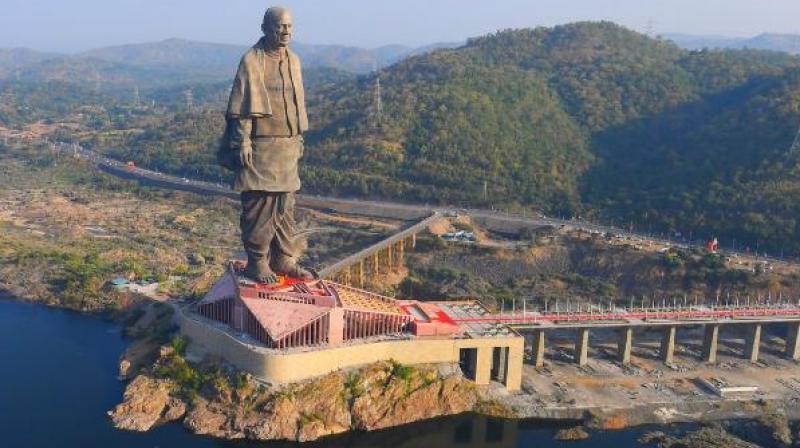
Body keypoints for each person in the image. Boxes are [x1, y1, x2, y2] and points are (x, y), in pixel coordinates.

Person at [223, 6, 314, 284]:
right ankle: (257, 261)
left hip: (287, 146)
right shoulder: (252, 60)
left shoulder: (294, 60)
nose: (285, 31)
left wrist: (298, 138)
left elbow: (296, 106)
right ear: (265, 28)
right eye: (279, 26)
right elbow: (241, 108)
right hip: (260, 145)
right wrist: (243, 140)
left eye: (289, 26)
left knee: (285, 205)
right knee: (260, 204)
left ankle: (283, 258)